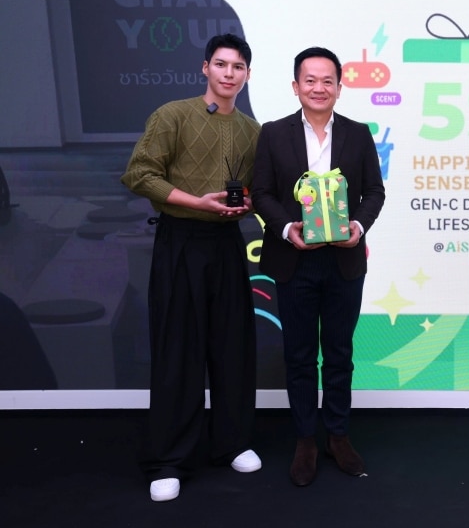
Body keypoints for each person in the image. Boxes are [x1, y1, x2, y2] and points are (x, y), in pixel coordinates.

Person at [121, 33, 262, 502]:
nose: (229, 73)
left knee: (232, 345)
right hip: (180, 240)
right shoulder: (173, 115)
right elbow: (140, 174)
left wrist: (247, 205)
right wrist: (195, 201)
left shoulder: (252, 130)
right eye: (221, 64)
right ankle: (168, 459)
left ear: (247, 74)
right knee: (178, 348)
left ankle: (232, 442)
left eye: (238, 66)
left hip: (226, 243)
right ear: (205, 68)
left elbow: (254, 187)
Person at [252, 46, 385, 487]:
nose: (319, 88)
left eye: (328, 80)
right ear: (296, 86)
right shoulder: (273, 133)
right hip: (294, 259)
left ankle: (338, 435)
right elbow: (262, 192)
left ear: (339, 88)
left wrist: (358, 227)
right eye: (310, 80)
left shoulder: (358, 134)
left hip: (343, 260)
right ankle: (306, 439)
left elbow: (374, 192)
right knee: (300, 354)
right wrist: (285, 226)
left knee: (340, 353)